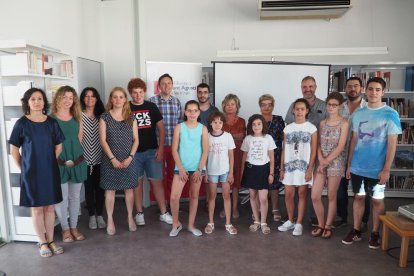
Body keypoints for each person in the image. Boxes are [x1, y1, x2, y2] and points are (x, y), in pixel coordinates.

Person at [342, 77, 401, 249]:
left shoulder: (391, 114)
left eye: (377, 89)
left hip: (378, 169)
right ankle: (356, 230)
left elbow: (392, 143)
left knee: (377, 200)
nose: (373, 92)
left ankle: (375, 233)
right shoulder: (359, 114)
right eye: (370, 89)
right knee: (358, 197)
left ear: (383, 92)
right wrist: (349, 165)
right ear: (365, 91)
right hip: (357, 167)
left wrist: (386, 169)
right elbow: (353, 140)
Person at [9, 88, 65, 257]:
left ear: (44, 102)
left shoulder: (52, 123)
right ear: (27, 102)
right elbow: (14, 150)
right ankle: (42, 242)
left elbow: (59, 146)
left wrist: (47, 163)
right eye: (32, 99)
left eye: (40, 98)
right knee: (37, 209)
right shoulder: (21, 124)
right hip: (31, 174)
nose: (37, 102)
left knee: (49, 208)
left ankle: (51, 240)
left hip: (50, 172)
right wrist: (25, 169)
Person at [127, 78, 172, 226]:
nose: (138, 95)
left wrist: (160, 148)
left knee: (157, 182)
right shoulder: (126, 108)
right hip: (134, 154)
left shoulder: (151, 106)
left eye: (140, 92)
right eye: (135, 92)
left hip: (152, 152)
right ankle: (139, 213)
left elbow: (161, 129)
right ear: (130, 93)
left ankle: (164, 212)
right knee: (137, 183)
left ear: (144, 91)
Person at [285, 76, 326, 226]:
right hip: (297, 153)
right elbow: (290, 126)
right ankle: (294, 217)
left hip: (316, 152)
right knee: (296, 186)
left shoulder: (324, 105)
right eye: (304, 87)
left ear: (315, 87)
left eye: (310, 86)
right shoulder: (293, 105)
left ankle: (309, 217)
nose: (307, 89)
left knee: (310, 189)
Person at [99, 87, 139, 235]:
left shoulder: (131, 117)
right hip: (110, 160)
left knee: (129, 189)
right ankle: (110, 219)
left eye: (121, 97)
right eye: (115, 97)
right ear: (111, 99)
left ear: (125, 99)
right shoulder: (105, 117)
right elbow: (102, 141)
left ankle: (130, 217)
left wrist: (130, 158)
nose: (118, 100)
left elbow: (136, 140)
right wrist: (112, 159)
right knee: (110, 190)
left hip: (128, 160)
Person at [52, 86, 87, 243]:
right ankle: (65, 229)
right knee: (62, 198)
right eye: (64, 97)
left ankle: (74, 227)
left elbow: (79, 140)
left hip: (77, 162)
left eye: (70, 98)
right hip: (59, 164)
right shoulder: (51, 119)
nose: (67, 100)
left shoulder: (78, 117)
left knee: (75, 197)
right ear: (58, 98)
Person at [311, 92, 349, 238]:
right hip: (321, 162)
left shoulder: (344, 123)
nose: (331, 107)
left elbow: (340, 146)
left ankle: (328, 226)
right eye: (329, 104)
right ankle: (320, 223)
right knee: (315, 196)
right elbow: (318, 144)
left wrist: (326, 162)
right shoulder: (322, 123)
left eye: (335, 105)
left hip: (336, 163)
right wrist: (321, 159)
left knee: (331, 196)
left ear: (340, 106)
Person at [335, 77, 371, 230]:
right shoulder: (339, 107)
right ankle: (342, 217)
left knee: (362, 191)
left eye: (356, 86)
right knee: (340, 190)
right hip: (340, 154)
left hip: (361, 155)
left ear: (361, 88)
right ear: (345, 89)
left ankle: (363, 221)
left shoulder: (369, 108)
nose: (352, 89)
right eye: (349, 86)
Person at [278, 98, 317, 236]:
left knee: (301, 194)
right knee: (288, 194)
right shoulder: (287, 128)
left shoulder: (312, 128)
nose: (299, 111)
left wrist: (310, 169)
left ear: (307, 111)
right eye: (297, 109)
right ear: (293, 111)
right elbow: (284, 149)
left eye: (302, 109)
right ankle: (290, 220)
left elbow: (313, 150)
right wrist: (282, 168)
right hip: (289, 166)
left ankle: (299, 223)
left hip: (303, 167)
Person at [169, 100, 208, 237]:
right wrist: (180, 168)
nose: (192, 113)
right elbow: (174, 149)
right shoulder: (179, 127)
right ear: (185, 112)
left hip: (197, 168)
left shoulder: (203, 128)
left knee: (194, 196)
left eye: (195, 110)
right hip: (181, 168)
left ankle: (191, 225)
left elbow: (205, 151)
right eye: (189, 110)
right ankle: (176, 224)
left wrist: (199, 169)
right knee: (174, 197)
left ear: (199, 112)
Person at [149, 74, 182, 203]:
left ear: (172, 85)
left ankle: (171, 202)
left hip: (174, 146)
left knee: (173, 175)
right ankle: (162, 204)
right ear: (159, 86)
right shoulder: (152, 102)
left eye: (169, 83)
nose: (166, 86)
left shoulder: (177, 102)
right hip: (158, 145)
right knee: (159, 176)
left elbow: (180, 124)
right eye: (163, 83)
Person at [241, 114, 276, 235]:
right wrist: (242, 173)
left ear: (263, 125)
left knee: (263, 198)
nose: (256, 126)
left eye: (259, 124)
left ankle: (263, 222)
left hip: (264, 170)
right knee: (253, 196)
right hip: (251, 169)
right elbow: (244, 157)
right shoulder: (248, 139)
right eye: (254, 124)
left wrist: (271, 173)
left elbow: (272, 157)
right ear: (251, 126)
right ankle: (256, 220)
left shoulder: (268, 138)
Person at [204, 111, 237, 235]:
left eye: (220, 122)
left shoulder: (227, 136)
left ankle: (228, 223)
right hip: (212, 171)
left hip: (225, 171)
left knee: (226, 196)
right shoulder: (207, 136)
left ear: (223, 123)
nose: (217, 125)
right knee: (212, 197)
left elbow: (231, 156)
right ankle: (210, 222)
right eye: (215, 122)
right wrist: (205, 171)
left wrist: (231, 173)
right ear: (211, 123)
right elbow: (205, 155)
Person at [80, 87, 106, 230]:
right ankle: (91, 216)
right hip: (84, 159)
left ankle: (100, 215)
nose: (90, 99)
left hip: (101, 158)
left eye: (93, 96)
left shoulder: (102, 115)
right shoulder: (78, 115)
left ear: (97, 98)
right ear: (83, 98)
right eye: (86, 96)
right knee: (88, 188)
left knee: (100, 188)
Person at [258, 94, 285, 222]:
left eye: (269, 104)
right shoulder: (255, 119)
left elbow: (283, 139)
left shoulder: (279, 120)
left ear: (273, 106)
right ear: (260, 106)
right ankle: (259, 208)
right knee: (260, 183)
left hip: (276, 155)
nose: (267, 107)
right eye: (264, 104)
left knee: (274, 184)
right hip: (259, 157)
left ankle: (275, 208)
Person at [221, 94, 246, 219]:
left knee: (235, 182)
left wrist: (227, 135)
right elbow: (219, 136)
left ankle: (235, 208)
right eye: (228, 104)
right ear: (224, 106)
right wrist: (233, 135)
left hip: (237, 154)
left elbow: (241, 136)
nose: (230, 107)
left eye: (233, 104)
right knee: (225, 181)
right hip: (222, 154)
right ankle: (225, 208)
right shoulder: (220, 119)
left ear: (237, 107)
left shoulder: (242, 121)